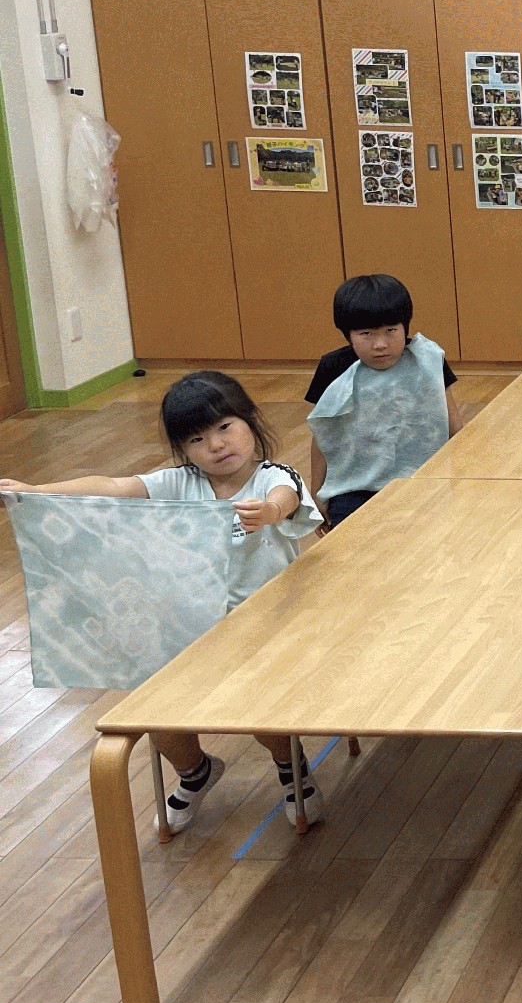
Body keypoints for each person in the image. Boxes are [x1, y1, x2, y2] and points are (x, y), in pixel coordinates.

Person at [1, 372, 326, 832]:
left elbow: (284, 498)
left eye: (225, 427)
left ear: (250, 421)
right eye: (197, 439)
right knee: (159, 715)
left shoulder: (273, 476)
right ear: (183, 449)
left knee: (260, 714)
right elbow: (113, 488)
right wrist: (37, 493)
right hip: (189, 628)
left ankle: (291, 766)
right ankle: (196, 772)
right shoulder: (179, 483)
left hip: (263, 628)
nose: (216, 445)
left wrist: (271, 511)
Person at [305, 275, 463, 526]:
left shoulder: (427, 360)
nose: (380, 344)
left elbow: (454, 427)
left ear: (405, 327)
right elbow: (324, 435)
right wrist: (317, 493)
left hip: (424, 480)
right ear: (348, 335)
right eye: (366, 333)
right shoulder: (334, 367)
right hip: (353, 488)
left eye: (391, 331)